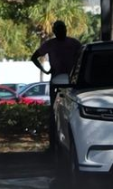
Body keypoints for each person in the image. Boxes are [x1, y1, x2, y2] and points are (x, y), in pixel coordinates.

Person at [31, 21, 83, 150]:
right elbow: (34, 57)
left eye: (63, 28)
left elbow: (82, 56)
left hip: (73, 82)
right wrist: (46, 70)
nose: (61, 31)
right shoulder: (50, 44)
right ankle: (54, 144)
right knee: (54, 114)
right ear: (54, 31)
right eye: (58, 29)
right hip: (56, 82)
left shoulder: (74, 43)